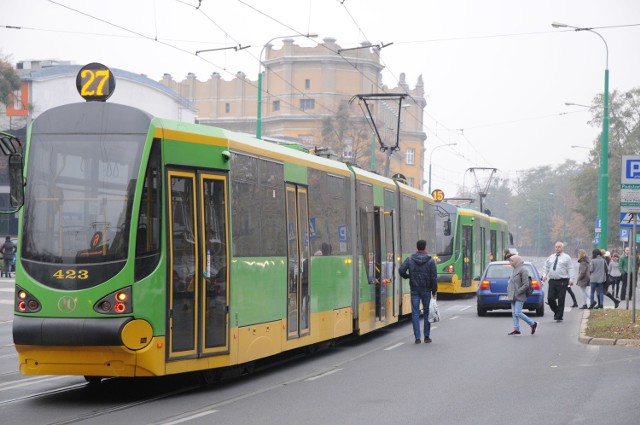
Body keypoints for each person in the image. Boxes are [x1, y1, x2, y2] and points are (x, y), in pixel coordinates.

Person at [399, 239, 438, 344]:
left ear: (417, 248)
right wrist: (434, 291)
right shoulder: (430, 261)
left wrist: (408, 277)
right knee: (426, 312)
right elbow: (434, 277)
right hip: (426, 290)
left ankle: (417, 338)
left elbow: (401, 270)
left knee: (415, 313)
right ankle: (427, 336)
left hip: (415, 290)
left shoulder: (410, 259)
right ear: (425, 247)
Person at [541, 241, 574, 322]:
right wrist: (544, 275)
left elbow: (570, 268)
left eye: (559, 247)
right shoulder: (551, 257)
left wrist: (571, 279)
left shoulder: (566, 257)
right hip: (552, 280)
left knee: (561, 299)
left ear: (562, 248)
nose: (557, 248)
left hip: (562, 280)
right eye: (556, 247)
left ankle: (559, 316)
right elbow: (546, 267)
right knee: (550, 298)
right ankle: (556, 311)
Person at [506, 255, 538, 335]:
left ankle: (533, 323)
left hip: (520, 295)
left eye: (512, 261)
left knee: (518, 313)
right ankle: (516, 329)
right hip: (512, 295)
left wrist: (518, 291)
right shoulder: (514, 270)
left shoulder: (523, 270)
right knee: (514, 313)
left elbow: (526, 284)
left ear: (517, 261)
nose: (510, 262)